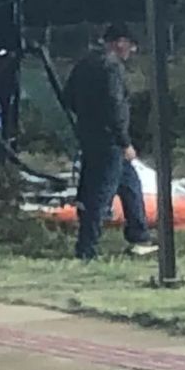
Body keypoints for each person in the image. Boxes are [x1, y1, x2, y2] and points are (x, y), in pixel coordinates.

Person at [63, 22, 159, 260]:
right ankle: (86, 249)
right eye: (131, 45)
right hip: (111, 142)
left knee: (131, 185)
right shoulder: (112, 67)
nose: (132, 51)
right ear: (120, 43)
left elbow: (68, 98)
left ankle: (140, 237)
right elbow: (115, 105)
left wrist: (88, 118)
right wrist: (124, 141)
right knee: (100, 194)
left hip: (89, 136)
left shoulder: (84, 63)